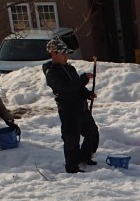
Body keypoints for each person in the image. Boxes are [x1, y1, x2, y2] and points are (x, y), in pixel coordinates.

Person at [42, 36, 99, 174]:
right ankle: (72, 166)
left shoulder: (70, 69)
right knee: (71, 139)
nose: (66, 56)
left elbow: (77, 88)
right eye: (63, 53)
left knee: (92, 133)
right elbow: (67, 89)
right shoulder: (52, 73)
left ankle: (85, 157)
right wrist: (83, 79)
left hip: (81, 108)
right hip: (68, 111)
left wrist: (87, 94)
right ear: (53, 53)